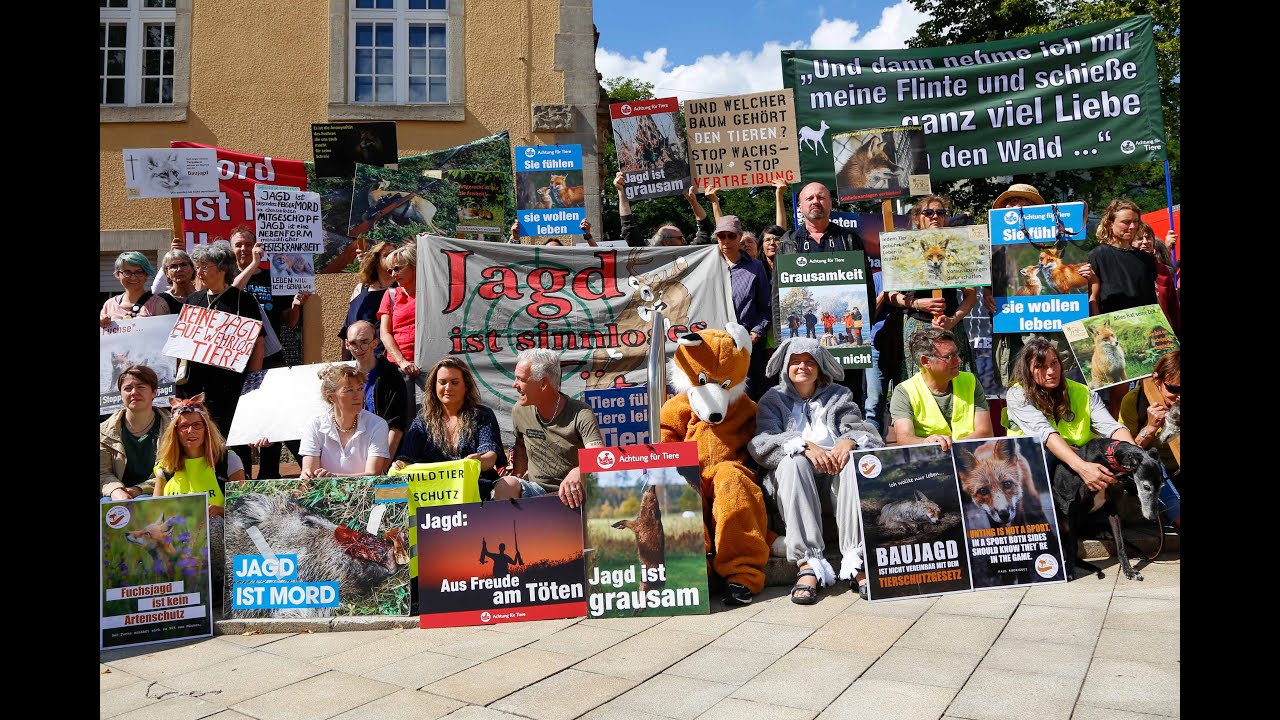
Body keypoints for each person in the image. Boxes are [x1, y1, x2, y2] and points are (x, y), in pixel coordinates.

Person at [750, 338, 884, 603]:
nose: (803, 366)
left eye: (809, 361)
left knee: (852, 461)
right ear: (786, 366)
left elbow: (862, 429)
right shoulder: (772, 399)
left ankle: (855, 559)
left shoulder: (839, 395)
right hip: (795, 481)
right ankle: (808, 563)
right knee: (793, 460)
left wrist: (849, 441)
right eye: (796, 361)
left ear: (820, 366)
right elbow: (762, 443)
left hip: (834, 476)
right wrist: (803, 445)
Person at [781, 182, 876, 404]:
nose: (816, 202)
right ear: (800, 207)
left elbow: (868, 290)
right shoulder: (787, 244)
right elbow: (778, 298)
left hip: (846, 362)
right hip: (804, 355)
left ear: (830, 203)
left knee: (849, 401)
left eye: (821, 197)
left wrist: (866, 326)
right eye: (810, 198)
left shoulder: (850, 239)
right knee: (806, 403)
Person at [986, 183, 1088, 390]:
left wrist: (1088, 274)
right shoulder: (993, 238)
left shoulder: (1058, 236)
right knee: (1017, 382)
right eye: (1009, 202)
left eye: (1019, 200)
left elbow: (1077, 258)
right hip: (1011, 322)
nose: (1013, 206)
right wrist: (986, 292)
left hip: (1049, 325)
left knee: (1051, 381)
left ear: (1033, 206)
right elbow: (987, 275)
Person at [1003, 338, 1137, 494]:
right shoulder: (1017, 394)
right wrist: (1083, 468)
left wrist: (1135, 454)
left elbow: (1111, 427)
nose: (1051, 372)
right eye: (1040, 366)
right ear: (1027, 370)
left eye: (1054, 363)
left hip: (1078, 459)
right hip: (1035, 468)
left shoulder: (1083, 392)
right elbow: (1044, 432)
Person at [229, 226, 309, 478]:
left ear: (256, 247)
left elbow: (289, 321)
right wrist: (252, 265)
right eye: (238, 244)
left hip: (270, 356)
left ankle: (269, 473)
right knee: (239, 417)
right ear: (231, 249)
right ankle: (241, 475)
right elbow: (232, 294)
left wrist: (296, 305)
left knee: (272, 415)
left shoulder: (273, 277)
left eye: (248, 244)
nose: (243, 249)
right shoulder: (226, 276)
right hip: (236, 358)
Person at [180, 240, 265, 471]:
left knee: (235, 439)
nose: (199, 272)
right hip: (199, 387)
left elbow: (259, 341)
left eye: (205, 266)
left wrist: (253, 379)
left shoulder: (243, 301)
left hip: (233, 385)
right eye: (198, 266)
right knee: (202, 436)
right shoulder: (193, 300)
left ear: (223, 268)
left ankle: (239, 484)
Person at [880, 196, 979, 384]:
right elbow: (890, 295)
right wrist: (917, 303)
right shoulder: (903, 247)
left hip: (949, 325)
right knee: (919, 381)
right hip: (917, 325)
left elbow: (971, 295)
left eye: (940, 213)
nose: (935, 217)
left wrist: (952, 320)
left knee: (955, 380)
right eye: (928, 212)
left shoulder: (959, 246)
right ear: (917, 218)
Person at [495, 348, 604, 506]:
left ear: (543, 384)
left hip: (575, 494)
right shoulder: (519, 410)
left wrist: (579, 471)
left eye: (520, 379)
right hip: (535, 491)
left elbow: (598, 455)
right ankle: (509, 530)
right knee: (505, 486)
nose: (514, 385)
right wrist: (517, 476)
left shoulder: (581, 413)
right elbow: (520, 445)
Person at [152, 395, 240, 583]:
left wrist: (221, 511)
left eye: (197, 425)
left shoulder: (227, 460)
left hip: (221, 536)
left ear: (207, 428)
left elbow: (244, 509)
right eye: (183, 426)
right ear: (175, 431)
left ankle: (219, 585)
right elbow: (156, 512)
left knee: (213, 525)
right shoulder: (165, 468)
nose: (190, 431)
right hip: (179, 538)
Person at [393, 357, 507, 498]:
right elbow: (406, 458)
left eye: (455, 382)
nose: (448, 388)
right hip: (436, 494)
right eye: (442, 382)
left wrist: (477, 462)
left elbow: (491, 456)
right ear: (434, 386)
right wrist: (399, 465)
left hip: (478, 487)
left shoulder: (482, 415)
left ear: (466, 385)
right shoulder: (422, 422)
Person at [890, 328, 993, 451]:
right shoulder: (904, 391)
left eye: (957, 354)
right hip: (930, 461)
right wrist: (925, 442)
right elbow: (904, 438)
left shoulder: (971, 381)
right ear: (925, 361)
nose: (959, 360)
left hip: (971, 456)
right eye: (949, 356)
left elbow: (985, 432)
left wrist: (953, 448)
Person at [1119, 350, 1180, 528]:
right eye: (1173, 389)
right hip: (1156, 471)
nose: (1178, 396)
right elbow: (1126, 454)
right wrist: (1150, 427)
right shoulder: (1134, 401)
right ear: (1157, 379)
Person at [714, 215, 772, 400]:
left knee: (747, 396)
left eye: (731, 236)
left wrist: (756, 332)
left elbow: (766, 305)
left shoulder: (755, 267)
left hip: (747, 346)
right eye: (721, 236)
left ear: (739, 237)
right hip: (715, 345)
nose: (726, 241)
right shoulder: (709, 266)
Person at [298, 364, 391, 478]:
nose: (358, 395)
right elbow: (310, 472)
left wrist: (335, 478)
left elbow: (373, 474)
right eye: (349, 390)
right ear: (331, 397)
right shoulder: (314, 425)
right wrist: (307, 475)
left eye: (360, 388)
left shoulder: (377, 424)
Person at [101, 365, 171, 501]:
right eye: (127, 388)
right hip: (117, 496)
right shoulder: (103, 431)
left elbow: (173, 469)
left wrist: (139, 489)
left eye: (141, 387)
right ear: (120, 394)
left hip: (159, 493)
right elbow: (102, 472)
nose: (134, 392)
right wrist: (116, 491)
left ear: (154, 392)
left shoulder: (173, 427)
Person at [343, 320, 407, 457]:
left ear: (375, 342)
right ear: (347, 345)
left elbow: (396, 427)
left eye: (364, 342)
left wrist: (382, 467)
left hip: (383, 452)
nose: (359, 348)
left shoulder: (391, 375)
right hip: (354, 454)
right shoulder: (344, 378)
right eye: (353, 343)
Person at [1087, 199, 1158, 317]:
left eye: (1135, 221)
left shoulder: (1146, 259)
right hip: (1115, 326)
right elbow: (1093, 297)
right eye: (1126, 222)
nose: (1132, 226)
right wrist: (1099, 326)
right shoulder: (1098, 256)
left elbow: (1153, 296)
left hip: (1147, 325)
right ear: (1110, 224)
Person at [379, 243, 422, 419]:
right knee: (402, 420)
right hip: (399, 368)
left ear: (413, 265)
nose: (393, 274)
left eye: (397, 268)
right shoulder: (390, 295)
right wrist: (402, 361)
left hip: (427, 364)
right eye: (390, 271)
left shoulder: (430, 292)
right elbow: (385, 333)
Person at [614, 172, 708, 247]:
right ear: (666, 242)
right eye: (681, 238)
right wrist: (622, 191)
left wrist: (694, 202)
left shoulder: (690, 255)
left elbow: (705, 231)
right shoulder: (647, 255)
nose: (685, 241)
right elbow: (628, 229)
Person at [339, 241, 395, 360]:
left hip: (389, 359)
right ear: (376, 260)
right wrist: (345, 365)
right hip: (361, 360)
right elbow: (348, 328)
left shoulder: (401, 288)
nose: (392, 258)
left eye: (395, 254)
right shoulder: (361, 289)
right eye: (387, 255)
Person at [100, 251, 173, 327]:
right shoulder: (109, 305)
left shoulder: (158, 304)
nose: (133, 277)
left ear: (146, 275)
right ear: (118, 274)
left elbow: (163, 335)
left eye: (139, 272)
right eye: (127, 272)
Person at [1135, 224, 1180, 335]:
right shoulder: (1123, 269)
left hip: (1165, 334)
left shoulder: (1163, 270)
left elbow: (1173, 309)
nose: (1145, 241)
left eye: (1149, 237)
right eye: (1140, 238)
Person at [155, 247, 196, 312]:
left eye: (183, 265)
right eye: (173, 266)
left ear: (193, 269)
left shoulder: (204, 297)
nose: (179, 269)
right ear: (167, 273)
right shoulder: (160, 300)